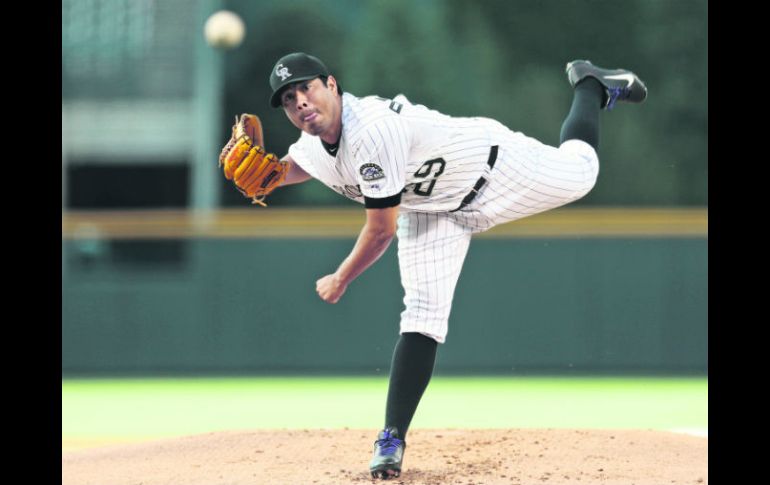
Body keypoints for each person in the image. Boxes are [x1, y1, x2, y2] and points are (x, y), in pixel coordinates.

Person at [265, 52, 646, 479]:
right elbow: (301, 165)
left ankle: (589, 85)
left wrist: (341, 277)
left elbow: (380, 231)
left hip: (490, 169)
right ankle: (391, 438)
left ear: (331, 85)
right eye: (287, 98)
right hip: (430, 212)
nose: (299, 101)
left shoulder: (370, 130)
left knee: (581, 173)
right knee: (423, 316)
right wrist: (270, 175)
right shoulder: (311, 142)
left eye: (306, 87)